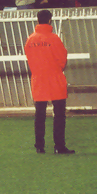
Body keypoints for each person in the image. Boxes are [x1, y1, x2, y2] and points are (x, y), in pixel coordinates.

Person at [24, 10, 74, 155]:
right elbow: (62, 58)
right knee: (59, 114)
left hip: (38, 79)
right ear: (50, 20)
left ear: (38, 20)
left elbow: (29, 58)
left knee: (39, 114)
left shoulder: (30, 39)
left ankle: (39, 146)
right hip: (55, 79)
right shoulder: (54, 38)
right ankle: (59, 146)